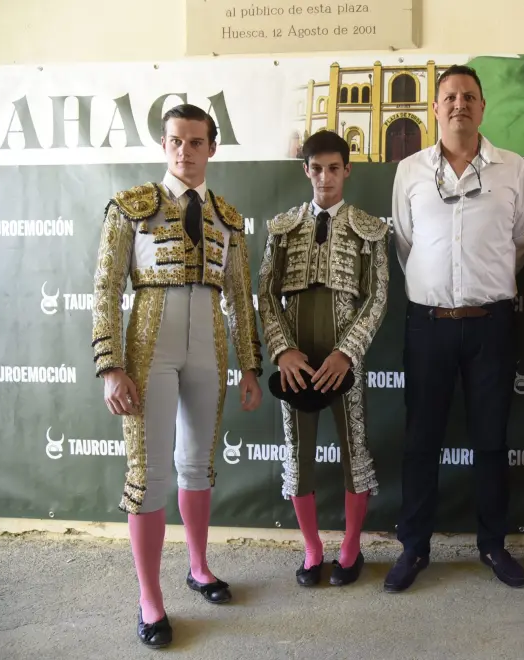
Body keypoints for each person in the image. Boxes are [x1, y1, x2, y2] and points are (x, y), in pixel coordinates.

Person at [90, 103, 263, 648]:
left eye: (195, 141)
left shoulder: (228, 218)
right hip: (149, 343)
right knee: (148, 470)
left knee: (197, 464)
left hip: (208, 343)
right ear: (164, 146)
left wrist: (251, 366)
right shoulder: (130, 206)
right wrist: (110, 364)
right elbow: (106, 287)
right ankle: (149, 596)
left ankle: (199, 566)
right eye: (175, 141)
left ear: (212, 147)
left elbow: (240, 296)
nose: (185, 151)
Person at [385, 64, 524, 592]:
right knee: (421, 441)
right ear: (435, 108)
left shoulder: (512, 169)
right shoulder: (409, 171)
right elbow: (405, 245)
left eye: (469, 96)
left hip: (491, 324)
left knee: (491, 440)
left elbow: (518, 245)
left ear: (482, 107)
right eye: (449, 97)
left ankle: (494, 545)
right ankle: (415, 548)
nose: (459, 105)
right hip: (428, 325)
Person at [257, 130, 390, 588]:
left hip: (343, 360)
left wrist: (347, 353)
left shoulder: (369, 227)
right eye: (317, 168)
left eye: (335, 168)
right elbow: (266, 296)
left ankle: (350, 547)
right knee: (299, 456)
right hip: (295, 361)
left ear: (347, 170)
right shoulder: (283, 227)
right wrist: (282, 349)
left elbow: (376, 299)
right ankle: (313, 548)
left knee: (357, 453)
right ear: (306, 170)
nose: (326, 177)